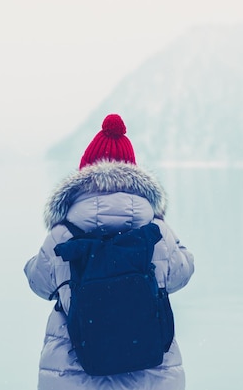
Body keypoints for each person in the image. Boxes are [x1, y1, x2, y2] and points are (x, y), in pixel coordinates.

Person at [24, 113, 195, 390]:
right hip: (150, 374)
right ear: (135, 174)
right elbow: (181, 273)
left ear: (84, 173)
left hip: (75, 374)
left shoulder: (63, 232)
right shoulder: (155, 230)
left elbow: (39, 283)